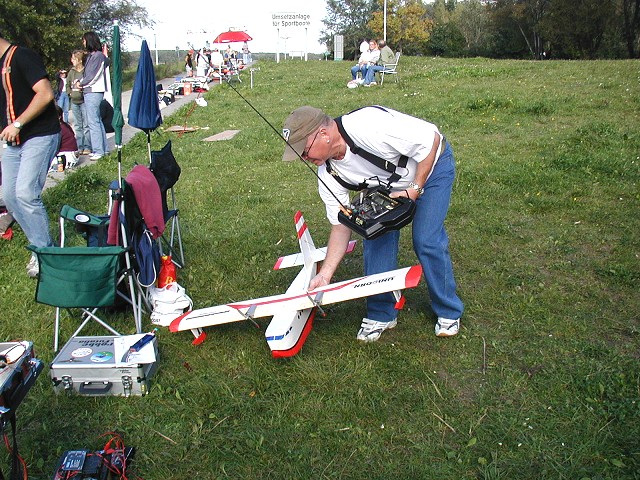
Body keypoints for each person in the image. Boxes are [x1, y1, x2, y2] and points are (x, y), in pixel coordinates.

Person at [281, 105, 464, 341]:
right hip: (387, 188)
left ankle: (448, 310)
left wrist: (414, 189)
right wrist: (325, 275)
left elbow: (432, 141)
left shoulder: (368, 126)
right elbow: (341, 224)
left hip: (430, 168)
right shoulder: (328, 174)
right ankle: (381, 313)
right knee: (374, 235)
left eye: (304, 152)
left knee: (426, 240)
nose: (304, 159)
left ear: (323, 134)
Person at [0, 30, 61, 277]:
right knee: (9, 196)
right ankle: (39, 245)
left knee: (25, 193)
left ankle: (45, 254)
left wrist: (18, 124)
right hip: (11, 141)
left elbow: (46, 94)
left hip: (39, 134)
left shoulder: (21, 56)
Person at [75, 31, 109, 160]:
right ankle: (103, 149)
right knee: (97, 121)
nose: (83, 43)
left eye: (84, 40)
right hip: (90, 90)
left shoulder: (98, 56)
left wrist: (81, 83)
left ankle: (98, 151)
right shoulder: (91, 56)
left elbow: (93, 75)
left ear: (89, 40)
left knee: (93, 122)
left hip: (93, 91)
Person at [67, 50, 91, 155]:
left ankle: (87, 146)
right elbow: (67, 85)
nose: (72, 61)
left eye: (74, 59)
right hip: (74, 102)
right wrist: (70, 93)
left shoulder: (85, 71)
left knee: (86, 124)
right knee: (77, 125)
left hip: (84, 101)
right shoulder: (71, 72)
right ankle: (79, 146)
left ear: (79, 60)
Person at [50, 105, 78, 171]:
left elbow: (54, 146)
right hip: (72, 155)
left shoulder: (58, 129)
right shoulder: (65, 125)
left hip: (66, 157)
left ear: (59, 117)